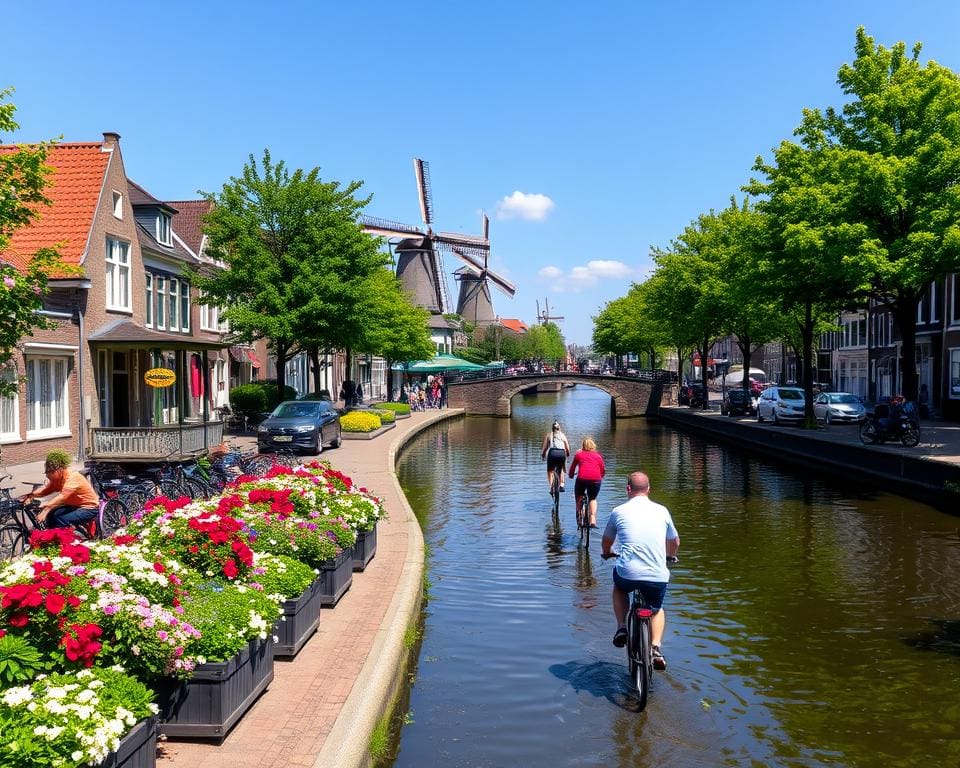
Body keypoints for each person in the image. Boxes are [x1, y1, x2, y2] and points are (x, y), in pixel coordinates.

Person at [601, 471, 680, 671]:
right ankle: (655, 648)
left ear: (628, 489)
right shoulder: (662, 510)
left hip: (628, 572)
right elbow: (674, 541)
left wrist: (607, 553)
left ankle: (621, 627)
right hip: (656, 575)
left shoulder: (618, 511)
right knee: (657, 607)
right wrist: (670, 556)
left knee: (619, 588)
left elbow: (607, 541)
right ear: (649, 490)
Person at [19, 450, 99, 529]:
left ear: (59, 470)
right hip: (74, 506)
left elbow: (63, 496)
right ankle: (52, 538)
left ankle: (65, 540)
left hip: (89, 508)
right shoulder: (57, 479)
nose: (47, 475)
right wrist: (31, 495)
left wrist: (47, 508)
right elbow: (46, 490)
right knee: (51, 516)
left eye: (50, 472)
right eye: (46, 472)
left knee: (61, 519)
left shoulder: (72, 477)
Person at [568, 437, 605, 527]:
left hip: (582, 479)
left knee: (579, 496)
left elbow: (572, 468)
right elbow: (603, 470)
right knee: (592, 498)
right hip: (596, 480)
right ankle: (592, 519)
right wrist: (601, 477)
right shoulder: (598, 456)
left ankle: (579, 515)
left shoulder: (578, 455)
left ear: (583, 446)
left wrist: (571, 475)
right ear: (593, 446)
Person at [540, 421, 570, 494]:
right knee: (562, 468)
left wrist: (543, 455)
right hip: (561, 454)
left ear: (552, 428)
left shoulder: (549, 435)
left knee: (549, 471)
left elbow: (545, 448)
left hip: (552, 453)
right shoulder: (562, 435)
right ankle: (562, 485)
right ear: (559, 428)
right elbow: (567, 447)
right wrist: (568, 455)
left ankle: (551, 488)